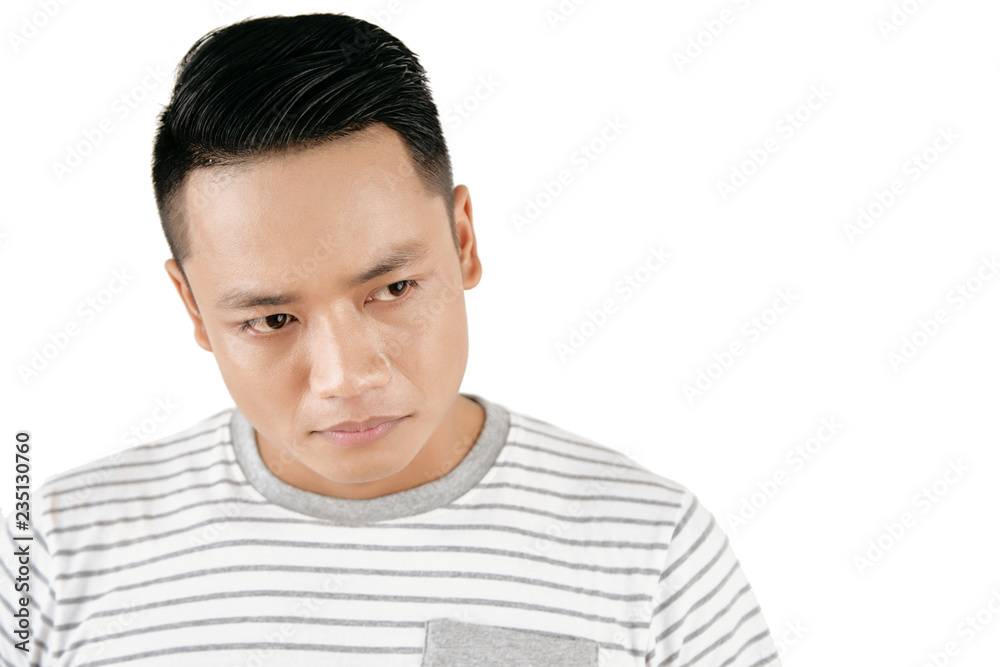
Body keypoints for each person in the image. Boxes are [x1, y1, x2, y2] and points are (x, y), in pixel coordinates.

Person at [2, 13, 781, 666]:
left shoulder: (651, 548)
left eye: (394, 288)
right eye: (272, 320)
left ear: (463, 240)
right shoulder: (52, 554)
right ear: (194, 308)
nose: (345, 376)